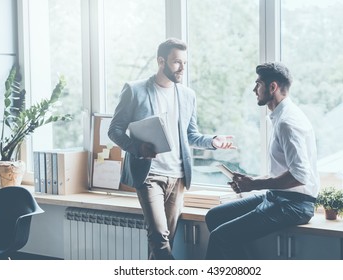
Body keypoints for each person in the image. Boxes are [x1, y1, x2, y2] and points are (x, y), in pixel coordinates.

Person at [108, 38, 235, 260]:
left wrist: (213, 141)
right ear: (160, 61)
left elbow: (190, 135)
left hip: (178, 178)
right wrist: (136, 147)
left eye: (185, 63)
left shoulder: (188, 95)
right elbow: (114, 130)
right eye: (177, 62)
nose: (182, 68)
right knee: (159, 236)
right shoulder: (134, 90)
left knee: (163, 242)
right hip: (149, 174)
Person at [205, 62, 320, 260]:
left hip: (295, 205)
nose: (254, 89)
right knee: (214, 216)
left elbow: (301, 175)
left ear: (272, 87)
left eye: (258, 84)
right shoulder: (279, 118)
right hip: (278, 197)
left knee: (220, 237)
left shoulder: (287, 123)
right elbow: (283, 170)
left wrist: (254, 184)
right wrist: (250, 181)